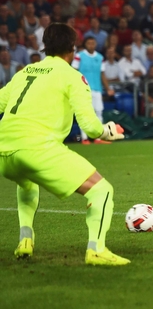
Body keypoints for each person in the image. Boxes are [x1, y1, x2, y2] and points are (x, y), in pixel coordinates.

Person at [0, 23, 127, 265]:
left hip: (3, 151)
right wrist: (108, 131)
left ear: (46, 47)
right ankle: (96, 250)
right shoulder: (72, 76)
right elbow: (90, 127)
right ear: (72, 48)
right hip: (37, 148)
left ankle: (25, 239)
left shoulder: (25, 72)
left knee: (26, 182)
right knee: (101, 190)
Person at [72, 36, 114, 144]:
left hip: (97, 88)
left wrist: (108, 88)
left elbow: (102, 74)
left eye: (93, 43)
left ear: (96, 44)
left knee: (98, 112)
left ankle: (98, 137)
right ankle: (84, 138)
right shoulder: (79, 56)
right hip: (83, 88)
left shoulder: (100, 57)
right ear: (85, 44)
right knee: (84, 113)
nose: (91, 45)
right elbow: (74, 71)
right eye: (89, 43)